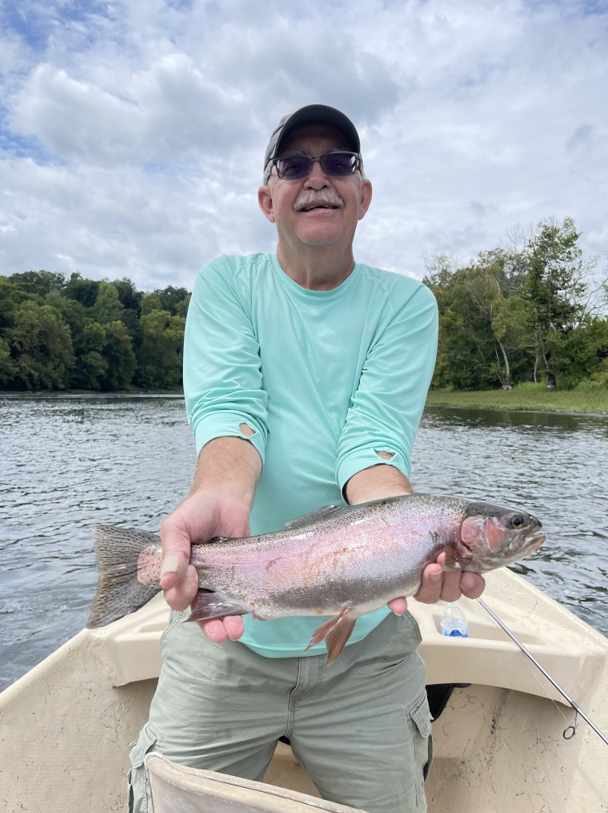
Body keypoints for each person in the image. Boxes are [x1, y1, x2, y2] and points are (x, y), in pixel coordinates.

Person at [128, 103, 485, 813]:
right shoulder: (228, 284)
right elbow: (233, 415)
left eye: (339, 162)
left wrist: (406, 534)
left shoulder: (407, 305)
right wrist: (219, 489)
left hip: (367, 653)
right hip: (222, 631)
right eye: (295, 164)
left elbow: (373, 443)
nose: (318, 177)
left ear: (363, 193)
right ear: (268, 198)